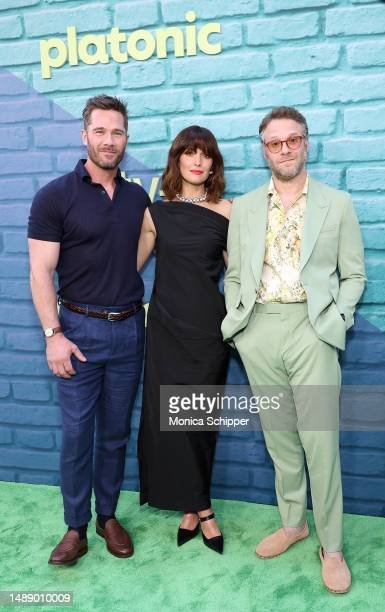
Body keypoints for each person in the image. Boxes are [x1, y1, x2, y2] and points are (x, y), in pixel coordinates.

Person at [222, 106, 366, 592]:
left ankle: (332, 545)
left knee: (320, 443)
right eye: (274, 142)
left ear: (306, 143)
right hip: (258, 330)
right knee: (280, 439)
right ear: (264, 149)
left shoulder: (337, 203)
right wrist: (240, 328)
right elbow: (237, 273)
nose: (284, 148)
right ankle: (293, 524)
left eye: (293, 139)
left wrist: (335, 321)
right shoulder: (243, 207)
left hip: (313, 329)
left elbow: (354, 275)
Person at [28, 94, 150, 565]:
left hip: (128, 332)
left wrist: (122, 277)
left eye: (117, 132)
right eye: (100, 131)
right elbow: (40, 273)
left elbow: (140, 245)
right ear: (84, 136)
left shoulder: (138, 196)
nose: (109, 140)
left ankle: (108, 517)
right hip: (76, 333)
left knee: (115, 433)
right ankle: (76, 528)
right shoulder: (55, 196)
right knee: (78, 435)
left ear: (126, 138)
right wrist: (52, 334)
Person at [137, 125, 231, 554]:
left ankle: (195, 506)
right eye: (189, 153)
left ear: (213, 164)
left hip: (209, 331)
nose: (197, 160)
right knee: (172, 423)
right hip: (167, 330)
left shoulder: (228, 211)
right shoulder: (156, 213)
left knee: (199, 422)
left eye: (205, 154)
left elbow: (242, 273)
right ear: (176, 160)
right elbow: (129, 267)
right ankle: (199, 509)